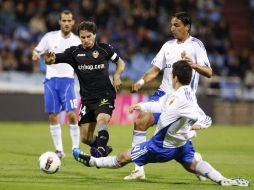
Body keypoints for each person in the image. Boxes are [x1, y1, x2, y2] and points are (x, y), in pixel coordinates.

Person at [72, 60, 249, 187]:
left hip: (161, 146)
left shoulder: (184, 100)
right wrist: (140, 105)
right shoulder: (182, 92)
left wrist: (193, 126)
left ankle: (91, 161)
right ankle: (222, 180)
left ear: (175, 76)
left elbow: (204, 118)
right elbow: (159, 104)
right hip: (181, 145)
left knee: (123, 158)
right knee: (192, 165)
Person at [125, 12, 213, 180]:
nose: (172, 28)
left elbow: (209, 72)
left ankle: (195, 160)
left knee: (176, 140)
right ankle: (138, 169)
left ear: (187, 27)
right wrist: (141, 82)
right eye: (171, 25)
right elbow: (155, 70)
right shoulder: (167, 46)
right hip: (163, 94)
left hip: (181, 100)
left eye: (177, 25)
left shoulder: (196, 45)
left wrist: (193, 65)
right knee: (140, 120)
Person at [44, 21, 125, 158]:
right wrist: (49, 60)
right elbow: (53, 59)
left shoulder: (104, 49)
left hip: (105, 95)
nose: (86, 40)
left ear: (94, 35)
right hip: (87, 100)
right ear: (79, 37)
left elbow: (120, 62)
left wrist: (117, 75)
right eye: (83, 37)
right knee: (85, 138)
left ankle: (100, 152)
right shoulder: (74, 52)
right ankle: (103, 147)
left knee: (102, 120)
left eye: (88, 36)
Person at [32, 10, 81, 158]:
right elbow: (37, 51)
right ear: (59, 22)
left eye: (69, 21)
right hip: (51, 81)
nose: (66, 23)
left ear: (73, 22)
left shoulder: (77, 41)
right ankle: (59, 150)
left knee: (72, 114)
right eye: (64, 20)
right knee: (53, 116)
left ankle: (75, 148)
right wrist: (36, 55)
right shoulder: (49, 37)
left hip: (68, 81)